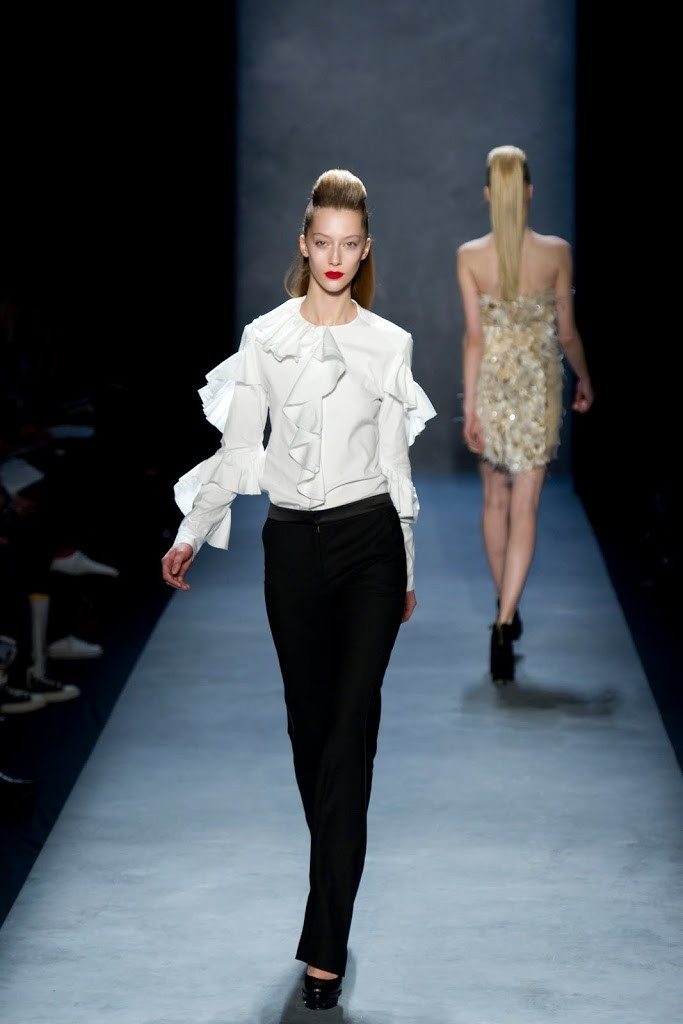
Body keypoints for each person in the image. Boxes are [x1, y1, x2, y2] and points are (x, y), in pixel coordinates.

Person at [161, 169, 435, 1010]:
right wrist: (191, 530)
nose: (336, 257)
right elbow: (240, 449)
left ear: (365, 248)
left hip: (369, 546)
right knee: (309, 734)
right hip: (290, 550)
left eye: (350, 244)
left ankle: (325, 945)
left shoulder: (388, 344)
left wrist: (407, 566)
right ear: (304, 245)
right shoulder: (264, 337)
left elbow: (394, 464)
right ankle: (335, 885)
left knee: (349, 734)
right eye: (323, 242)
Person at [456, 145, 593, 683]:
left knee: (495, 499)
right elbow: (567, 334)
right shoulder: (556, 252)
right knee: (526, 506)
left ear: (489, 194)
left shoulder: (470, 256)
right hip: (537, 389)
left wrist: (470, 405)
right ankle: (505, 618)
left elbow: (474, 338)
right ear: (529, 192)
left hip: (492, 387)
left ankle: (504, 609)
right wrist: (584, 377)